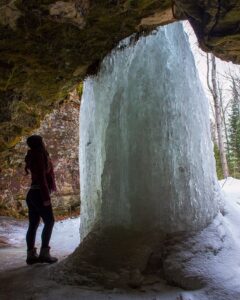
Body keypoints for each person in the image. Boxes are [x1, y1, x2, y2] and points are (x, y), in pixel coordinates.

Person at [24, 135, 58, 265]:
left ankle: (31, 256)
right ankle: (44, 254)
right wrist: (46, 197)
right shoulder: (39, 155)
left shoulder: (32, 155)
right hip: (38, 193)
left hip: (32, 193)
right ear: (40, 143)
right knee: (49, 221)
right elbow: (42, 178)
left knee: (33, 224)